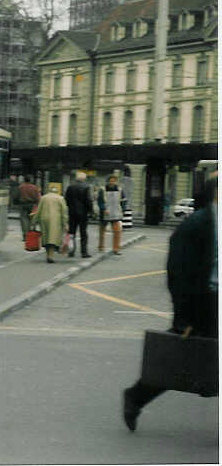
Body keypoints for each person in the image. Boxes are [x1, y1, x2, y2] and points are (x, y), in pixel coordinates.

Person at [122, 173, 218, 432]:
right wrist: (183, 317)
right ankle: (135, 397)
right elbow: (178, 273)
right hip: (204, 303)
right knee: (178, 359)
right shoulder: (195, 225)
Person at [30, 186, 69, 263]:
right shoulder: (60, 198)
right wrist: (65, 223)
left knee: (46, 238)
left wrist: (34, 221)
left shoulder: (43, 198)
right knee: (53, 238)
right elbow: (64, 212)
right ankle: (50, 256)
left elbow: (38, 210)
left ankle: (48, 255)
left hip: (44, 219)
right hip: (56, 220)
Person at [64, 171, 93, 258]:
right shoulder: (86, 187)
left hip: (72, 213)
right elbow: (88, 200)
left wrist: (70, 208)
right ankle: (84, 252)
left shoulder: (70, 187)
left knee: (71, 232)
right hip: (83, 213)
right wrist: (90, 211)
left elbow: (66, 199)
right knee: (83, 233)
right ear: (84, 179)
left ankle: (71, 251)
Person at [98, 174, 126, 255]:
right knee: (102, 231)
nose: (112, 182)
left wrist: (123, 210)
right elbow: (100, 201)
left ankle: (116, 249)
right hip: (105, 213)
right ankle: (101, 246)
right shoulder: (102, 190)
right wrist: (103, 209)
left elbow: (123, 201)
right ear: (108, 181)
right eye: (111, 181)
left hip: (115, 213)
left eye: (114, 181)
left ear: (116, 181)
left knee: (117, 231)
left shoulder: (120, 190)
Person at [17, 175, 41, 240]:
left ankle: (25, 235)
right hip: (32, 205)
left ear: (24, 179)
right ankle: (32, 234)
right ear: (31, 180)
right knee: (32, 219)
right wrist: (38, 205)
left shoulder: (20, 187)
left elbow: (17, 196)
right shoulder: (35, 188)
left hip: (23, 205)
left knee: (24, 220)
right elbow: (38, 198)